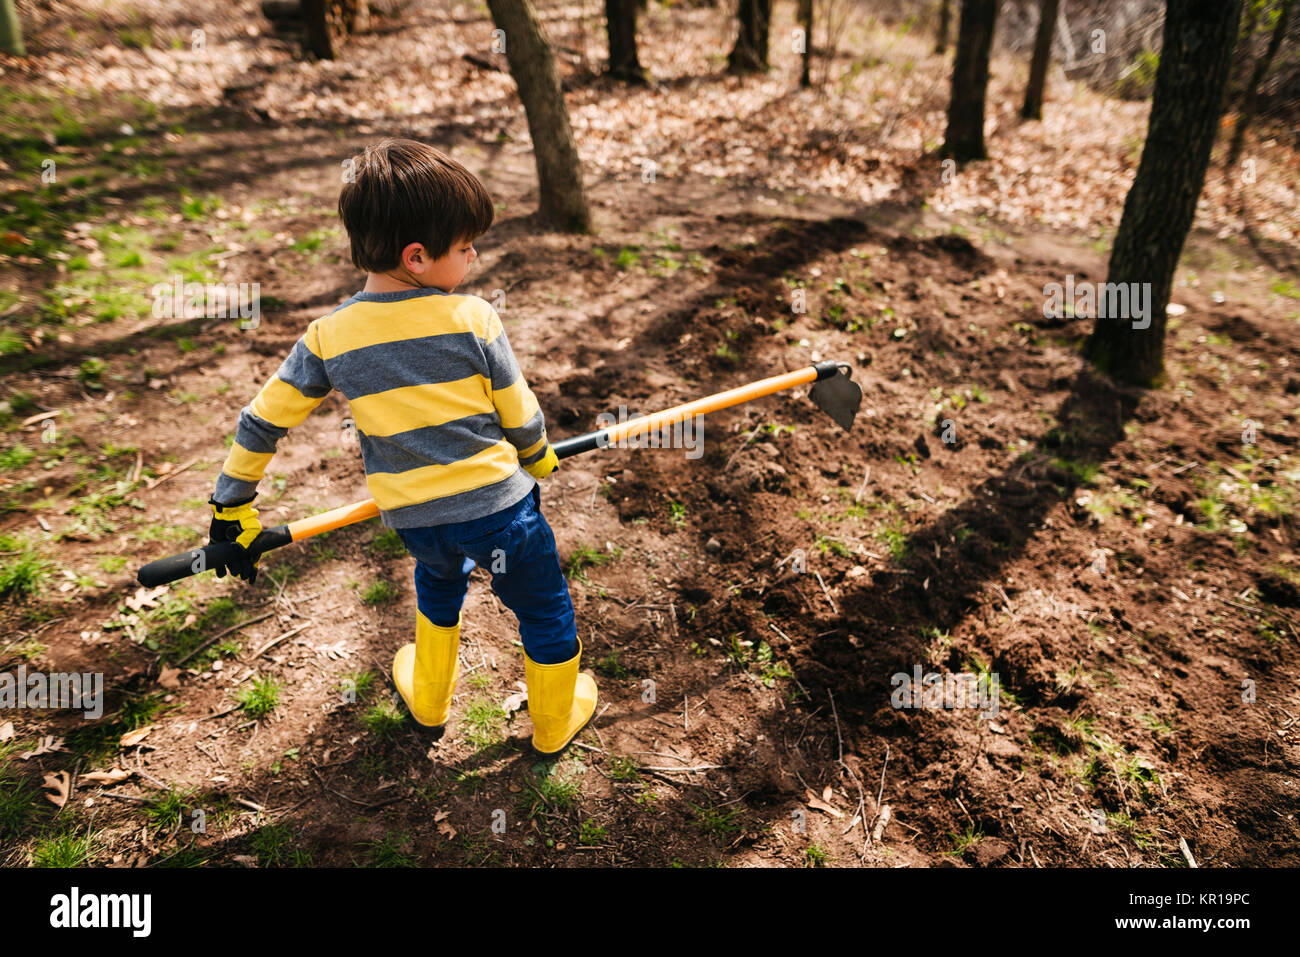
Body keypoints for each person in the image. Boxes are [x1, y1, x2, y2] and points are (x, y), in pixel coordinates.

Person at [205, 138, 596, 755]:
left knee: (439, 586)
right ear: (417, 256)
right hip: (503, 513)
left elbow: (261, 422)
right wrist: (537, 452)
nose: (473, 256)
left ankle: (432, 700)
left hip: (417, 520)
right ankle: (552, 726)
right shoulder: (472, 317)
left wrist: (232, 506)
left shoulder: (330, 337)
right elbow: (517, 408)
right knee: (544, 610)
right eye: (465, 247)